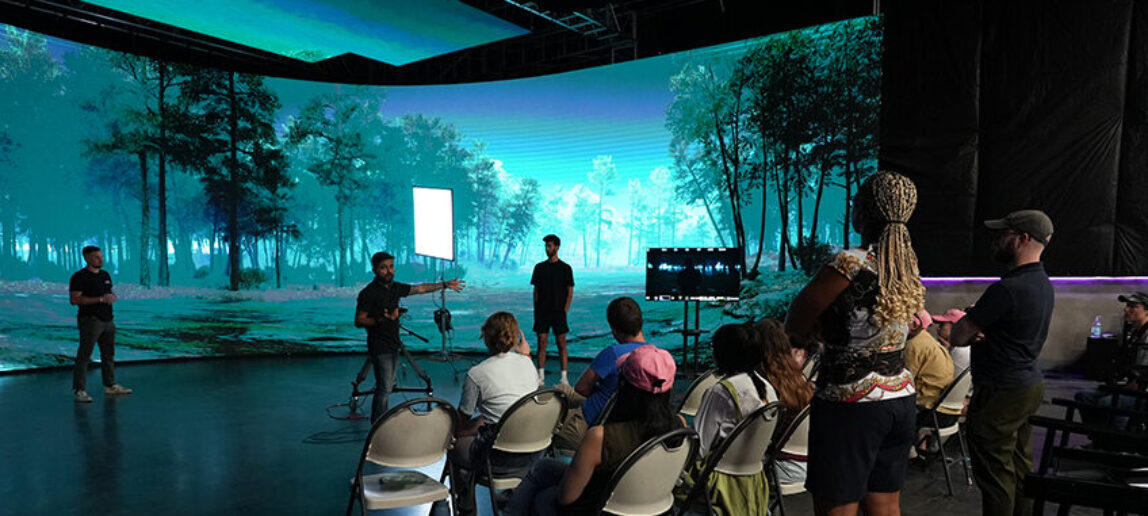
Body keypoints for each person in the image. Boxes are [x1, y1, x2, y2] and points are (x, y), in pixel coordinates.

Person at [784, 171, 924, 516]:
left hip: (850, 401)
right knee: (885, 504)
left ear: (862, 211)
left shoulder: (849, 262)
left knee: (838, 506)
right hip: (900, 397)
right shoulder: (905, 263)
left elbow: (795, 322)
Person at [950, 209, 1054, 516]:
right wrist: (985, 322)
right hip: (1027, 385)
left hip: (1000, 392)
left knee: (996, 474)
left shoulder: (1007, 289)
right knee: (1020, 469)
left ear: (1022, 239)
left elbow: (958, 335)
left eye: (1003, 234)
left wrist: (974, 320)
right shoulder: (1042, 284)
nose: (996, 240)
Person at [503, 344, 683, 516]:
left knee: (543, 497)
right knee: (544, 467)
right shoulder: (680, 427)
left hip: (601, 509)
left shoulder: (600, 437)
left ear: (624, 386)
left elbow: (566, 498)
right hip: (651, 507)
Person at [354, 251, 465, 423]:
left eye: (391, 266)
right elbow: (359, 320)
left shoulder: (396, 288)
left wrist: (444, 285)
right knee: (384, 388)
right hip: (379, 345)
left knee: (388, 386)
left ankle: (380, 421)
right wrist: (381, 319)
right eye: (383, 268)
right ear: (374, 270)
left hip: (393, 343)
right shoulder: (368, 293)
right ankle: (377, 424)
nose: (389, 271)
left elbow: (420, 288)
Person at [449, 312, 539, 516]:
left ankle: (466, 506)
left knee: (453, 442)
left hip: (496, 459)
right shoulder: (527, 364)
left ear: (486, 338)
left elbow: (461, 421)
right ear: (516, 337)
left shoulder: (477, 374)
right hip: (533, 457)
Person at [552, 296, 650, 451]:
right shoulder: (657, 356)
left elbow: (581, 388)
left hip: (589, 424)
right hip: (627, 423)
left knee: (557, 394)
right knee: (563, 390)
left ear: (614, 329)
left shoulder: (613, 353)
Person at [1073, 291, 1148, 434]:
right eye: (1127, 305)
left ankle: (1115, 443)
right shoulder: (1133, 334)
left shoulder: (1146, 337)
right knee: (1084, 396)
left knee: (1107, 403)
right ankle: (1098, 440)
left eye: (1133, 306)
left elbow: (1142, 377)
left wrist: (1121, 388)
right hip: (1130, 388)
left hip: (1143, 393)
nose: (1126, 309)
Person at [70, 245, 132, 403]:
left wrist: (111, 296)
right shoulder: (79, 277)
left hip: (108, 320)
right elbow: (75, 299)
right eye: (97, 257)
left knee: (108, 354)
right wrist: (100, 299)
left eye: (101, 256)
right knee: (84, 356)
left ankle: (110, 385)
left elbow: (108, 292)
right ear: (87, 258)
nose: (101, 259)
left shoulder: (105, 274)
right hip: (90, 320)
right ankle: (79, 390)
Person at [903, 309, 956, 457]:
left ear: (913, 324)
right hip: (945, 410)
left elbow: (905, 382)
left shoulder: (914, 345)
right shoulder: (928, 342)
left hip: (931, 411)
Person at [532, 234, 574, 385]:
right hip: (542, 311)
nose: (547, 249)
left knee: (561, 344)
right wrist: (536, 310)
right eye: (546, 246)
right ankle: (540, 376)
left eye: (549, 246)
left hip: (558, 312)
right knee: (541, 343)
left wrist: (565, 310)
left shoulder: (566, 268)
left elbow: (570, 291)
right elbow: (536, 291)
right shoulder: (539, 268)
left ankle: (564, 377)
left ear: (557, 247)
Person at [932, 308, 970, 372]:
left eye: (942, 325)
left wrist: (944, 352)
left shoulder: (961, 351)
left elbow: (942, 377)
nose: (937, 328)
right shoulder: (958, 346)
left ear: (955, 327)